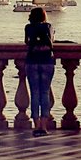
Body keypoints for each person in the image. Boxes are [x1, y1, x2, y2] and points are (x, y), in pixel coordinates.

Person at [25, 7, 55, 136]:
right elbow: (51, 41)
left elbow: (27, 42)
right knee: (45, 93)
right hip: (47, 61)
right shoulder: (48, 26)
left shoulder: (28, 27)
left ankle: (36, 125)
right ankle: (44, 126)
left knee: (35, 94)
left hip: (32, 61)